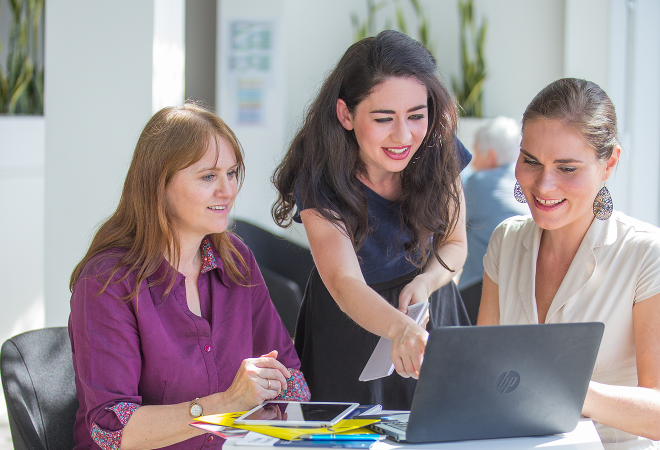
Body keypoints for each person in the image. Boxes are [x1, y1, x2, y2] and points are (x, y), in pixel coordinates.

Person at [68, 103, 310, 450]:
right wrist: (225, 405)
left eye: (232, 173)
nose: (227, 190)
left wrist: (270, 404)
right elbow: (113, 428)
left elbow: (293, 381)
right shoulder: (107, 282)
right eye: (208, 176)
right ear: (159, 185)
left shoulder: (237, 261)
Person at [272, 30, 471, 410]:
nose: (404, 135)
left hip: (429, 309)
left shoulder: (438, 149)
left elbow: (455, 244)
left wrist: (427, 282)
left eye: (417, 115)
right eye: (383, 119)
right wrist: (400, 330)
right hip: (351, 323)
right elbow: (345, 283)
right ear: (346, 114)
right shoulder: (320, 178)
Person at [478, 78, 660, 449]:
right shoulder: (505, 241)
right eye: (531, 161)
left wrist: (565, 386)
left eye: (567, 168)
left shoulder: (646, 253)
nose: (544, 186)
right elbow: (485, 376)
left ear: (608, 164)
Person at [458, 116, 529, 324]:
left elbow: (448, 225)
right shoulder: (522, 183)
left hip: (480, 285)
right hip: (522, 281)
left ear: (490, 156)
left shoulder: (478, 181)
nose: (473, 161)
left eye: (476, 153)